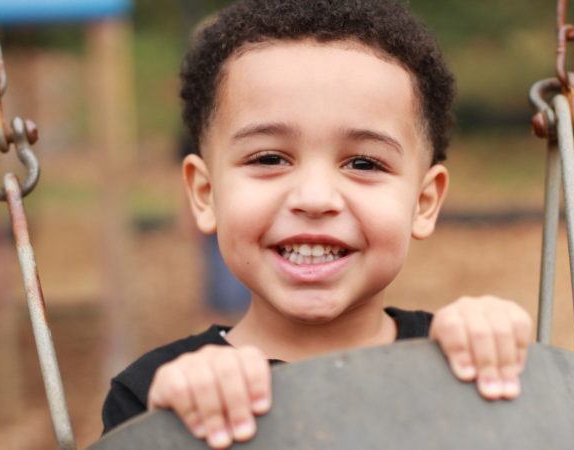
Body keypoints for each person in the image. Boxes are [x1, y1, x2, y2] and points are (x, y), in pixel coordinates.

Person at [101, 1, 533, 448]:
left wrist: (499, 352)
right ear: (205, 194)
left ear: (423, 203)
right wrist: (166, 433)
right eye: (269, 158)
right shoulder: (154, 395)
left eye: (363, 163)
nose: (314, 198)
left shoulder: (458, 364)